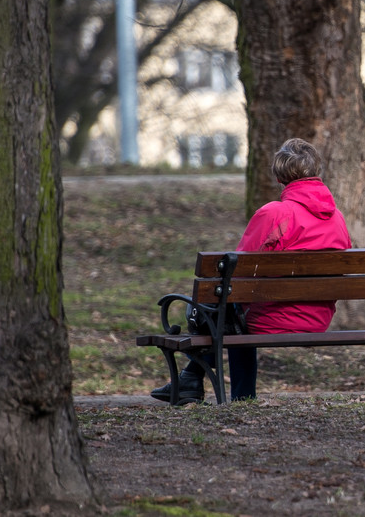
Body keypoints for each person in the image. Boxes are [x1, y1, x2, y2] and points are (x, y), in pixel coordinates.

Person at [150, 138, 352, 404]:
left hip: (274, 317)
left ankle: (214, 387)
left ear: (279, 178)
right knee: (229, 311)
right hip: (317, 317)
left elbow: (238, 272)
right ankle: (194, 380)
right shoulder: (336, 216)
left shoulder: (275, 213)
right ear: (317, 173)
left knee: (224, 309)